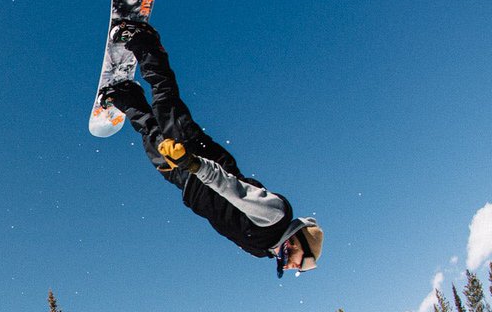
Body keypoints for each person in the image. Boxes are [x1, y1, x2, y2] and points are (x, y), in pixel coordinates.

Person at [99, 20, 324, 277]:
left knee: (152, 140)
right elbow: (231, 188)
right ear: (298, 242)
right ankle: (144, 40)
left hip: (191, 185)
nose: (296, 268)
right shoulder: (275, 216)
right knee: (165, 104)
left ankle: (125, 95)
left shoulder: (263, 249)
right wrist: (193, 163)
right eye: (303, 262)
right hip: (201, 161)